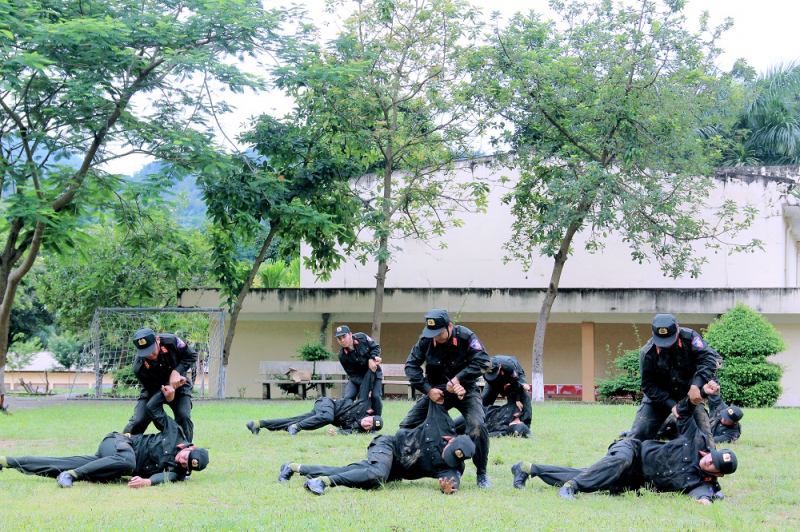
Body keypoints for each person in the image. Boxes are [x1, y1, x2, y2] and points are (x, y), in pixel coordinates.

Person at [512, 382, 737, 504]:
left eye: (712, 463)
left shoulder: (701, 483)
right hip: (632, 451)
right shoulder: (695, 442)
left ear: (717, 474)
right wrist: (699, 395)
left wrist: (706, 501)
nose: (707, 459)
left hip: (634, 481)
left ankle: (526, 468)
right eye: (710, 456)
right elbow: (685, 414)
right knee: (613, 465)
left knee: (591, 475)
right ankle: (572, 488)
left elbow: (703, 495)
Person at [0, 385, 209, 488]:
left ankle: (7, 461)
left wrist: (146, 482)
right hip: (119, 443)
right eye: (185, 457)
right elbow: (153, 408)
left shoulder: (178, 471)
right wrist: (164, 394)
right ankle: (72, 475)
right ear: (189, 447)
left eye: (187, 465)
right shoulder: (175, 434)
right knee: (127, 463)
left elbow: (168, 477)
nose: (182, 461)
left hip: (113, 461)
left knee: (59, 462)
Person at [277, 401, 475, 495]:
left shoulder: (454, 466)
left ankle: (293, 467)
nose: (445, 457)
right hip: (388, 446)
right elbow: (436, 395)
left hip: (396, 469)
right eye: (448, 451)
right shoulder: (442, 423)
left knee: (353, 472)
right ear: (451, 440)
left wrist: (447, 489)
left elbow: (453, 482)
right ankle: (324, 482)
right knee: (377, 475)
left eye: (451, 458)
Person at [401, 309, 493, 488]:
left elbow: (484, 361)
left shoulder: (466, 337)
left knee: (477, 426)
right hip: (437, 391)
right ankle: (408, 466)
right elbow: (411, 366)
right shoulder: (426, 340)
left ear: (450, 326)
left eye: (440, 333)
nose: (436, 337)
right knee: (407, 426)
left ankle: (481, 473)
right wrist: (428, 390)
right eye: (432, 334)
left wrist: (458, 379)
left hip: (465, 390)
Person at [628, 314, 718, 442]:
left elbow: (708, 359)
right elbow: (648, 385)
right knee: (637, 436)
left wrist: (696, 385)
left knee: (704, 440)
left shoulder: (690, 338)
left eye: (670, 340)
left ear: (678, 329)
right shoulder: (648, 353)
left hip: (688, 395)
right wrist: (671, 404)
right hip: (658, 398)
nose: (667, 345)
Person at [246, 366, 383, 436]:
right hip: (327, 403)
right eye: (369, 420)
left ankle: (257, 424)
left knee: (295, 418)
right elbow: (366, 384)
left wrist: (335, 433)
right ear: (370, 415)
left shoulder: (355, 429)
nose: (366, 423)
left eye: (369, 426)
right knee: (328, 417)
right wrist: (372, 369)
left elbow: (346, 433)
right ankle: (296, 428)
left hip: (323, 413)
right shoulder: (364, 404)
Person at [124, 327, 197, 442]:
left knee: (184, 416)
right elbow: (153, 402)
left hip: (180, 383)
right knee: (138, 420)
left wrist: (176, 371)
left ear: (157, 340)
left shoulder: (171, 341)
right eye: (146, 353)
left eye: (152, 349)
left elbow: (191, 355)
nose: (151, 354)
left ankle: (184, 450)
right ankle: (122, 448)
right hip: (154, 390)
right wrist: (169, 395)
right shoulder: (139, 368)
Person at [335, 325, 384, 416]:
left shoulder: (362, 337)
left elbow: (376, 347)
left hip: (374, 375)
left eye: (344, 336)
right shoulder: (342, 355)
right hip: (357, 379)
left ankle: (375, 421)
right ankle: (348, 421)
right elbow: (352, 374)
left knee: (375, 396)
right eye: (339, 338)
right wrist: (366, 388)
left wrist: (372, 358)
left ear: (350, 334)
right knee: (348, 397)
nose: (342, 340)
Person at [482, 355, 532, 427]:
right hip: (497, 380)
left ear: (500, 366)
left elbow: (515, 382)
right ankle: (482, 422)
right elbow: (494, 385)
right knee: (485, 398)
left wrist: (517, 400)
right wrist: (504, 394)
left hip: (516, 374)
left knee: (524, 392)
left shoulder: (509, 366)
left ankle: (526, 423)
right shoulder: (486, 371)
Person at [454, 398, 532, 438]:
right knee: (453, 425)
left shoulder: (504, 431)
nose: (512, 425)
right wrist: (518, 398)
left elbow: (487, 435)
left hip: (478, 425)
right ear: (520, 422)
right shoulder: (515, 408)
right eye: (515, 424)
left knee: (455, 431)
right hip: (481, 412)